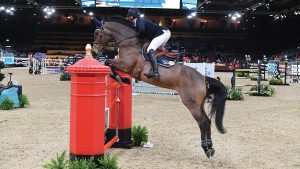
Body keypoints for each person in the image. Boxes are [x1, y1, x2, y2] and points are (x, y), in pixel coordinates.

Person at [127, 8, 171, 80]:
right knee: (156, 51)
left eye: (129, 16)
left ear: (132, 16)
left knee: (150, 50)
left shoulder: (139, 20)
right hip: (163, 33)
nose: (128, 18)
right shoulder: (138, 22)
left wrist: (137, 38)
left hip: (162, 33)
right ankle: (157, 68)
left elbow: (141, 31)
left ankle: (155, 72)